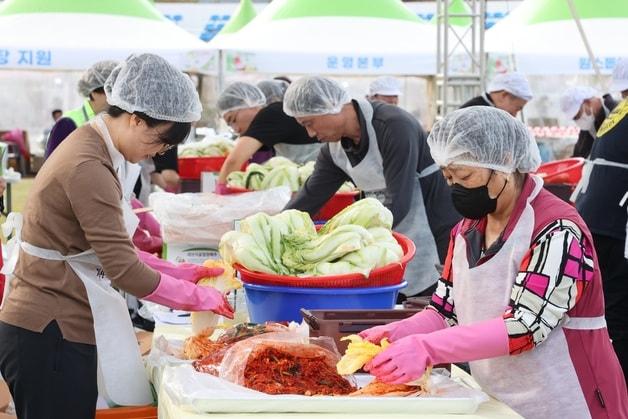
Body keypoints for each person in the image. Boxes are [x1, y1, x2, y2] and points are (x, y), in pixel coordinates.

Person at [0, 53, 234, 418]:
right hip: (49, 327)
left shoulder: (97, 148)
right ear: (136, 119)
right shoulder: (88, 164)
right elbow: (124, 269)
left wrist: (182, 273)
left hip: (60, 322)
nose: (157, 152)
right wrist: (196, 297)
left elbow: (109, 246)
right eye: (159, 142)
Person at [359, 106, 627, 418]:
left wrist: (428, 348)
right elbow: (447, 312)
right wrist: (399, 332)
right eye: (448, 177)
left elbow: (525, 326)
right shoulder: (467, 229)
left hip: (569, 398)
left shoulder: (556, 229)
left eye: (465, 176)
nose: (456, 188)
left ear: (505, 163)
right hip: (500, 399)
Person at [283, 76, 460, 297]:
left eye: (309, 123)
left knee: (430, 302)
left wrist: (344, 242)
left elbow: (400, 199)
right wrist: (276, 228)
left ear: (332, 106)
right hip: (386, 234)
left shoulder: (394, 126)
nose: (310, 134)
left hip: (433, 231)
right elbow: (310, 197)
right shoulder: (334, 149)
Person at [573, 96, 628, 383]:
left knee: (605, 310)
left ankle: (604, 382)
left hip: (597, 219)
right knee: (617, 312)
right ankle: (616, 387)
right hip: (617, 225)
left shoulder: (620, 110)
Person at [215, 82, 321, 191]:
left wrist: (221, 191)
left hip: (313, 185)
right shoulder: (279, 113)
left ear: (248, 102)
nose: (236, 129)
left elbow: (234, 161)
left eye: (233, 119)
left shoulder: (270, 115)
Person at [45, 60, 118, 158]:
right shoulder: (68, 122)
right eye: (110, 92)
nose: (115, 98)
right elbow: (52, 164)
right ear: (93, 92)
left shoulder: (115, 120)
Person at [560, 86, 618, 158]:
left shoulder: (617, 111)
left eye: (578, 115)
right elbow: (580, 154)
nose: (578, 120)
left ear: (587, 102)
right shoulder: (590, 125)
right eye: (574, 119)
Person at [460, 72, 532, 117]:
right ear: (504, 95)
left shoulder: (485, 109)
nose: (515, 115)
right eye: (517, 108)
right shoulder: (477, 113)